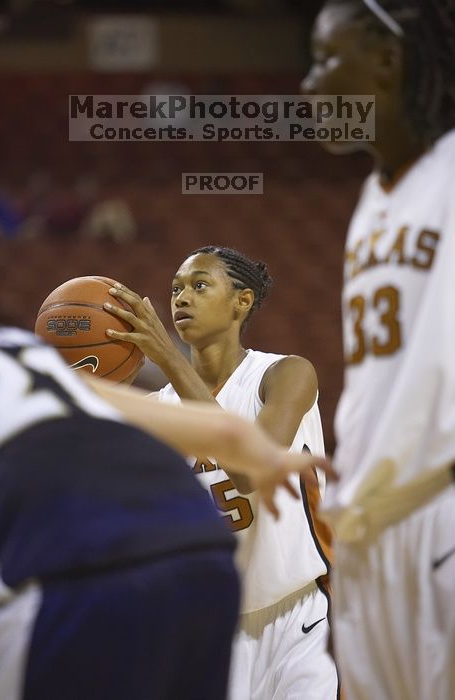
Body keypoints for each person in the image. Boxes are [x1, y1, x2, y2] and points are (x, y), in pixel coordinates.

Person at [0, 324, 333, 700]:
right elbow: (230, 436)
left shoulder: (277, 371)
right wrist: (266, 459)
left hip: (91, 574)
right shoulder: (22, 351)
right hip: (202, 560)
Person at [301, 1, 455, 698]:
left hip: (436, 509)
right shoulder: (372, 197)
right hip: (365, 528)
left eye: (326, 58)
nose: (308, 85)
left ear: (387, 61)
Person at [104, 245, 340, 699]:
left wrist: (168, 357)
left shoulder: (284, 373)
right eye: (175, 288)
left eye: (199, 285)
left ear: (242, 301)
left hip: (299, 617)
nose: (181, 298)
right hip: (208, 628)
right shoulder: (156, 413)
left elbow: (251, 469)